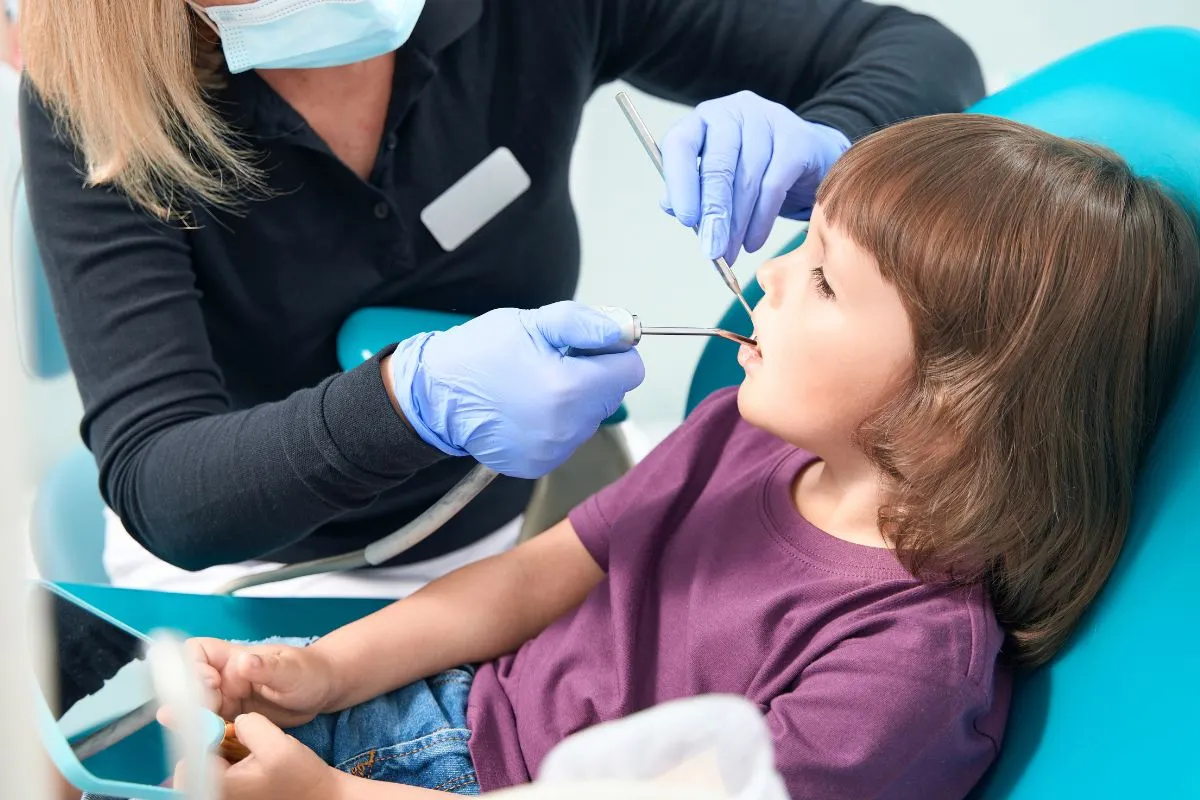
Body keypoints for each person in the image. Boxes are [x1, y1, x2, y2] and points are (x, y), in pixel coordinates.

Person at [172, 115, 1200, 800]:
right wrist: (321, 669)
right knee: (153, 724)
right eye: (804, 242)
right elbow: (537, 576)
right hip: (453, 709)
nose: (774, 274)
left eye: (825, 279)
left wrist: (332, 796)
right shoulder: (739, 436)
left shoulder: (903, 672)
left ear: (951, 408)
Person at [15, 0, 985, 597]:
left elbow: (918, 52)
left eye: (821, 279)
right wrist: (409, 403)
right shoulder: (91, 92)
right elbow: (165, 485)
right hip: (256, 565)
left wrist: (835, 139)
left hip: (524, 530)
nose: (773, 277)